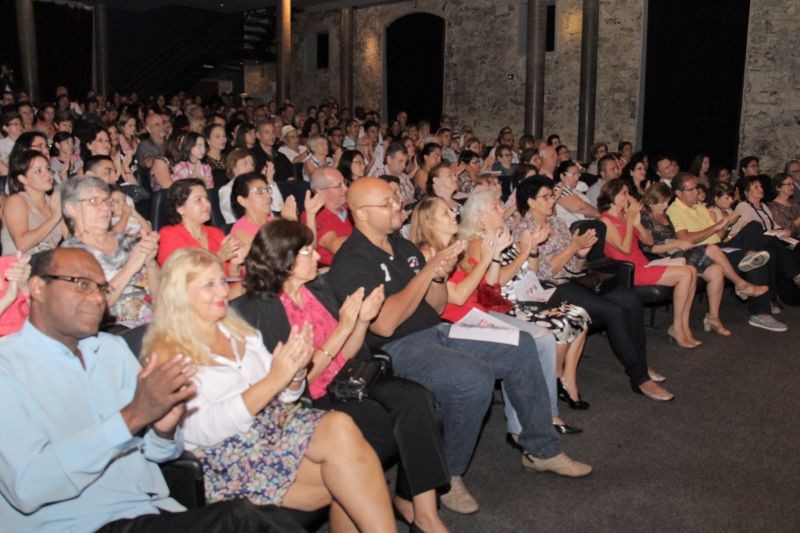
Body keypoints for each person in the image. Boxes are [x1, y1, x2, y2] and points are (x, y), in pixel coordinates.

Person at [328, 177, 591, 515]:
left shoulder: (401, 245)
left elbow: (436, 306)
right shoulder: (353, 260)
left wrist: (437, 276)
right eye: (388, 203)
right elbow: (384, 323)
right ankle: (448, 475)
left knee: (521, 345)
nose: (398, 206)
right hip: (395, 348)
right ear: (361, 214)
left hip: (435, 330)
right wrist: (427, 274)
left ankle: (542, 450)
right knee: (472, 378)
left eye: (396, 199)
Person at [0, 247, 302, 532]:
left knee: (260, 517)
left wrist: (164, 428)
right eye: (81, 284)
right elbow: (27, 487)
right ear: (38, 288)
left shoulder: (112, 350)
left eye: (101, 288)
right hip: (79, 524)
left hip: (151, 510)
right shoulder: (7, 368)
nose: (96, 298)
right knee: (242, 520)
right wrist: (132, 417)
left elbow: (160, 454)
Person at [142, 247, 395, 532]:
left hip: (275, 425)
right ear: (181, 294)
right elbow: (201, 430)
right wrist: (275, 380)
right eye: (209, 285)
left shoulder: (237, 330)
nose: (223, 292)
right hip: (229, 455)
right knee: (351, 476)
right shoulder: (167, 353)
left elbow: (285, 395)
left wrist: (295, 374)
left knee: (340, 426)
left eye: (222, 282)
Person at [234, 220, 451, 532]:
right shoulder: (266, 309)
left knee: (419, 401)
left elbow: (348, 351)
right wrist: (344, 328)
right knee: (391, 430)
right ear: (286, 261)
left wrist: (360, 321)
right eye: (307, 251)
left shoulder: (313, 292)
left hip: (349, 377)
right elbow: (296, 381)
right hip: (312, 399)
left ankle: (425, 514)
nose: (318, 257)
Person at [410, 193, 591, 423]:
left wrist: (495, 255)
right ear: (429, 222)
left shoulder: (457, 246)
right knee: (523, 345)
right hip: (457, 322)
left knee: (544, 338)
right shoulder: (429, 252)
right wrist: (489, 257)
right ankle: (524, 424)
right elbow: (457, 297)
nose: (454, 213)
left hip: (480, 312)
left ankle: (547, 410)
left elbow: (491, 285)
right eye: (445, 212)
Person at [515, 175, 673, 400]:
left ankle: (640, 363)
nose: (553, 200)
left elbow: (575, 266)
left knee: (631, 300)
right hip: (548, 288)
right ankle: (639, 377)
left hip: (573, 278)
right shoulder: (524, 229)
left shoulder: (558, 223)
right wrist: (574, 248)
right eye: (546, 197)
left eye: (552, 196)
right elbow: (541, 273)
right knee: (614, 312)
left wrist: (581, 254)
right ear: (530, 201)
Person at [641, 183, 767, 336]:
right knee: (712, 249)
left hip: (678, 252)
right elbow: (648, 246)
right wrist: (676, 243)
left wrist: (678, 243)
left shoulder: (665, 215)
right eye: (661, 202)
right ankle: (741, 284)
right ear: (650, 202)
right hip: (663, 257)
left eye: (666, 201)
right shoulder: (644, 217)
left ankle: (713, 317)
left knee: (717, 270)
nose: (665, 205)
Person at [666, 173, 787, 332]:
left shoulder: (699, 207)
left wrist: (727, 225)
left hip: (719, 245)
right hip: (702, 253)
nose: (697, 192)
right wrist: (716, 227)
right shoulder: (675, 210)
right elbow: (686, 239)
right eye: (691, 189)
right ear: (679, 193)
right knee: (758, 257)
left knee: (754, 227)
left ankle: (749, 255)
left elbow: (717, 236)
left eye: (697, 188)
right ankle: (760, 313)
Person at [597, 180, 700, 348]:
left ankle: (683, 325)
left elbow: (649, 241)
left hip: (643, 263)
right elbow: (624, 249)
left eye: (628, 193)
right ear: (612, 196)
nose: (628, 197)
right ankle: (676, 326)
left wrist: (637, 222)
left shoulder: (625, 215)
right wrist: (630, 220)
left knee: (692, 270)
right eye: (624, 193)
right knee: (685, 273)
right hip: (629, 270)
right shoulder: (605, 221)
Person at [60, 176, 159, 328]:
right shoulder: (68, 254)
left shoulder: (126, 241)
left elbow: (161, 295)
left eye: (107, 201)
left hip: (153, 323)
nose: (106, 208)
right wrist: (130, 267)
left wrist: (151, 263)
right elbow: (91, 308)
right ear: (71, 209)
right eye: (94, 201)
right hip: (112, 331)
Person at [156, 179, 243, 273]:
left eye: (206, 198)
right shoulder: (169, 235)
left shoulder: (216, 233)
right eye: (198, 200)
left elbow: (231, 277)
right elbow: (178, 275)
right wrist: (219, 257)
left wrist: (235, 264)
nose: (207, 204)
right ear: (180, 208)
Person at [1, 150, 68, 255]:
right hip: (18, 267)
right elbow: (22, 244)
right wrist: (54, 218)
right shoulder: (16, 201)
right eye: (38, 171)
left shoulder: (53, 201)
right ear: (23, 179)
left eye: (47, 168)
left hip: (47, 265)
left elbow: (70, 238)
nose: (48, 174)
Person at [554, 160, 597, 225]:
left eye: (578, 174)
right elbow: (580, 207)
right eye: (573, 174)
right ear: (562, 176)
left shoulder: (576, 191)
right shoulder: (559, 189)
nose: (577, 177)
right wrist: (600, 214)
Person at [768, 172, 800, 238]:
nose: (792, 187)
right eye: (789, 184)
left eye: (793, 184)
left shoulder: (794, 204)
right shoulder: (773, 207)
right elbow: (786, 230)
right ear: (778, 188)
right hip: (788, 242)